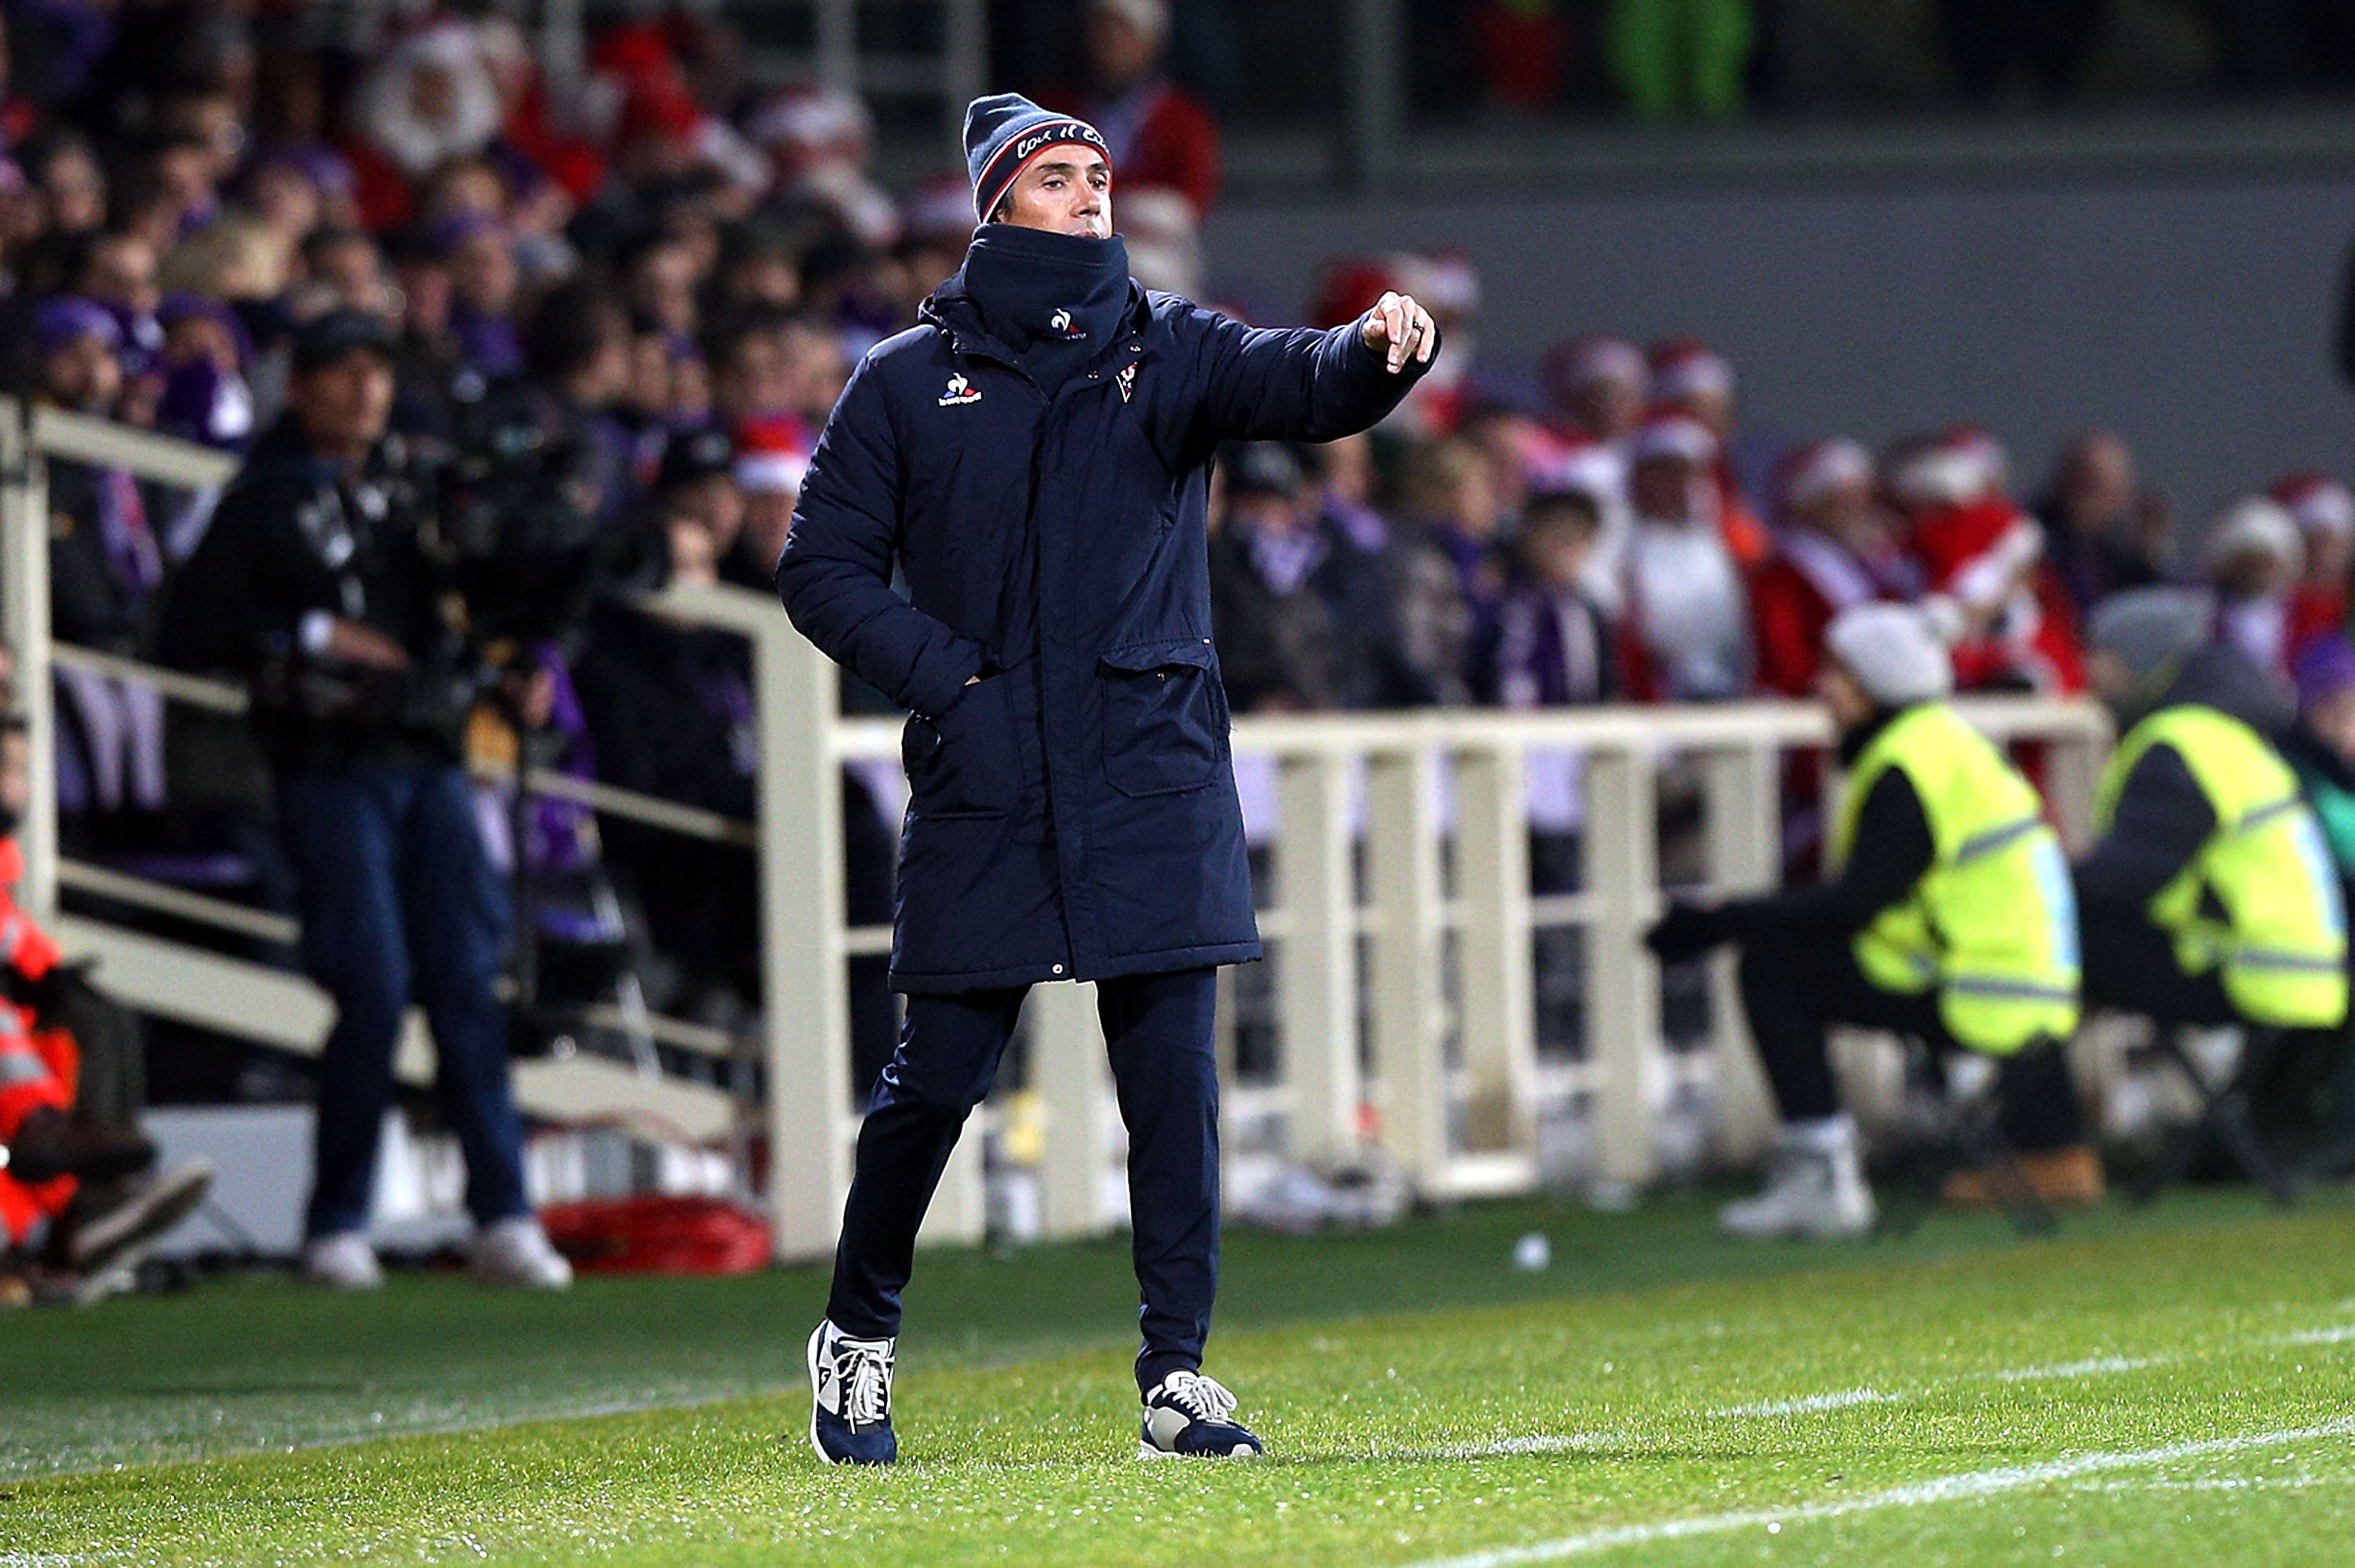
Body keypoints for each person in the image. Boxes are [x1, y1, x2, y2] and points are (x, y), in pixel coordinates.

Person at [777, 93, 1436, 1464]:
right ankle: (857, 1334)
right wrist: (954, 679)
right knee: (935, 1078)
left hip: (1149, 766)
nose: (1091, 197)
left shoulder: (1172, 346)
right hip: (992, 769)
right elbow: (820, 569)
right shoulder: (903, 377)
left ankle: (1176, 1372)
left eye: (1098, 176)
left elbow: (1298, 380)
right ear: (996, 202)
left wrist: (1375, 353)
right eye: (1061, 177)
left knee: (1175, 1087)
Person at [159, 310, 571, 1293]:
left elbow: (482, 596)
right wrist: (309, 634)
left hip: (427, 757)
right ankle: (335, 1221)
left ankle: (502, 1212)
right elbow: (190, 627)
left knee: (467, 985)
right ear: (296, 385)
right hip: (329, 762)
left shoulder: (417, 487)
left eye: (376, 371)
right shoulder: (263, 498)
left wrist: (514, 664)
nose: (363, 391)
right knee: (374, 987)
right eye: (340, 372)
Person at [1646, 603, 2087, 1239]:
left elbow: (1857, 903)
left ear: (1880, 682)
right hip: (2022, 981)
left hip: (1979, 989)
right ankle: (1823, 1172)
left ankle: (1821, 1180)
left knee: (1773, 967)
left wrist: (1723, 922)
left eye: (1840, 672)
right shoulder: (1948, 746)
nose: (1822, 687)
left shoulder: (1908, 763)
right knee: (1788, 951)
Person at [2077, 588, 2349, 1038]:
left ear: (2135, 661)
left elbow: (2130, 874)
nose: (2089, 669)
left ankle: (2030, 1103)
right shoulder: (2224, 733)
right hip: (2297, 973)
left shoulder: (2180, 742)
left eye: (2099, 653)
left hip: (2252, 974)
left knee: (2062, 942)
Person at [1618, 413, 1750, 701]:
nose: (1677, 487)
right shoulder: (1622, 549)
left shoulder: (1721, 548)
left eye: (1688, 474)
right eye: (1665, 475)